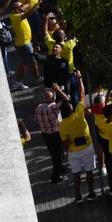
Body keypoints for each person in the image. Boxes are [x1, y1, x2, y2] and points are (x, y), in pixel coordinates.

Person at [58, 71, 96, 201]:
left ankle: (78, 195)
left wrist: (71, 143)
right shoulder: (79, 113)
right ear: (71, 109)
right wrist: (79, 79)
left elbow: (65, 143)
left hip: (74, 151)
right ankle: (91, 193)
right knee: (90, 172)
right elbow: (81, 94)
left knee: (76, 174)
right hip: (87, 148)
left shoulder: (62, 125)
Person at [35, 85, 66, 183]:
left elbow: (36, 120)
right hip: (56, 134)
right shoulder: (53, 107)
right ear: (52, 99)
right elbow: (66, 99)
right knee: (58, 155)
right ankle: (55, 176)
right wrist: (58, 90)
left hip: (46, 135)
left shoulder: (39, 107)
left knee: (54, 154)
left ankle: (60, 168)